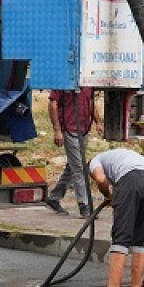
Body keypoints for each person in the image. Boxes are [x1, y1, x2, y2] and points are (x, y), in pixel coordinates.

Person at [89, 147, 144, 287]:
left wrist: (107, 195)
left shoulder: (95, 161)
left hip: (131, 179)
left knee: (121, 233)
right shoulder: (117, 156)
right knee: (141, 235)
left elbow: (101, 179)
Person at [45, 86, 97, 217]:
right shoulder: (63, 81)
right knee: (79, 167)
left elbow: (90, 102)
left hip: (83, 130)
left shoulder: (87, 82)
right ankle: (84, 205)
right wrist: (57, 130)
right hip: (68, 129)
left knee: (73, 166)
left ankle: (54, 197)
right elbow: (52, 104)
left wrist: (98, 122)